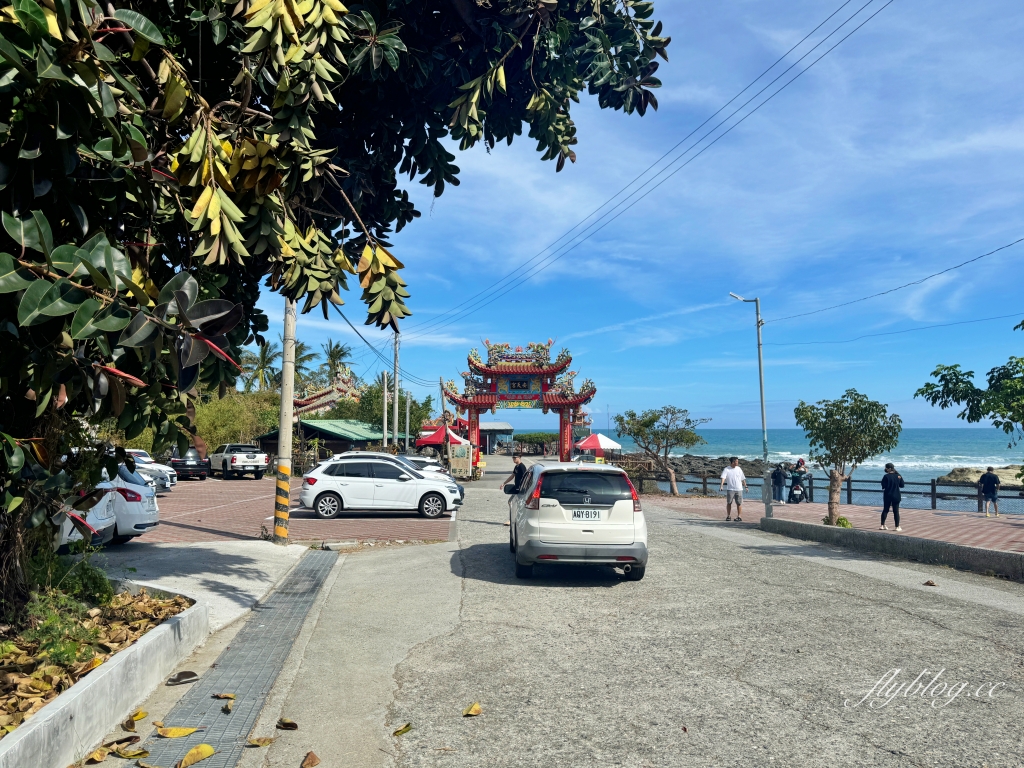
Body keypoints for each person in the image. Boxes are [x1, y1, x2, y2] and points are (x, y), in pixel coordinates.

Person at [500, 454, 529, 525]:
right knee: (513, 503)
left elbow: (526, 478)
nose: (514, 459)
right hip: (516, 488)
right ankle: (515, 520)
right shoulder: (516, 466)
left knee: (513, 503)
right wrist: (504, 483)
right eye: (513, 458)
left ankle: (512, 520)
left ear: (519, 458)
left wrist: (524, 488)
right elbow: (512, 476)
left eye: (515, 458)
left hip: (521, 489)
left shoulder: (522, 467)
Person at [720, 457, 748, 522]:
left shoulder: (739, 469)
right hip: (730, 489)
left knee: (739, 503)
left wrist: (746, 486)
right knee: (729, 502)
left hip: (739, 489)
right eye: (736, 461)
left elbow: (742, 479)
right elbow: (723, 478)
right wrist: (721, 486)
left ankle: (739, 516)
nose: (737, 463)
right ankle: (728, 516)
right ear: (733, 462)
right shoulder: (726, 469)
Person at [880, 462, 904, 531]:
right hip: (896, 495)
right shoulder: (898, 475)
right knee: (896, 511)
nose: (885, 469)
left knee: (885, 510)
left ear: (889, 469)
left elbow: (883, 485)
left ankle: (882, 525)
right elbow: (902, 485)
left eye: (886, 468)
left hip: (887, 495)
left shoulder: (886, 476)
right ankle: (897, 526)